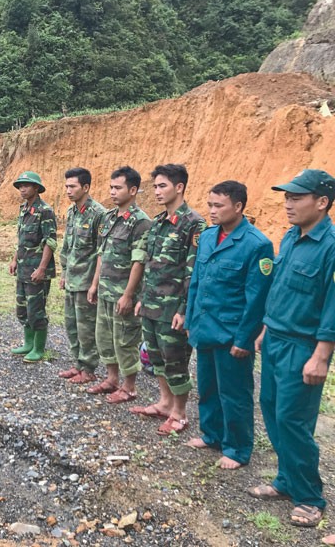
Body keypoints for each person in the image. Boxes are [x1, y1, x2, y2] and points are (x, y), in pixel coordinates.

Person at [247, 169, 335, 529]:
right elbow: (281, 286)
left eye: (296, 197)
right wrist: (266, 326)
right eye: (286, 197)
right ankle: (286, 480)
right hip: (276, 340)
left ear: (322, 202)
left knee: (293, 421)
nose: (287, 204)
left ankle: (310, 497)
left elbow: (332, 304)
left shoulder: (330, 246)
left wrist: (322, 355)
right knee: (270, 408)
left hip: (304, 347)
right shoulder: (292, 236)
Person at [185, 181, 273, 469]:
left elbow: (256, 298)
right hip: (205, 327)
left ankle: (237, 448)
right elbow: (197, 282)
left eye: (218, 205)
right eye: (210, 204)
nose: (211, 211)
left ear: (238, 207)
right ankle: (212, 435)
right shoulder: (209, 237)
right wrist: (190, 319)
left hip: (231, 333)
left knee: (234, 393)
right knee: (207, 387)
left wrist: (245, 338)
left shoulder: (257, 244)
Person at [132, 163, 206, 435]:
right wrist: (142, 297)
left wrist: (185, 309)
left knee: (175, 361)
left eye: (162, 186)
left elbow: (192, 270)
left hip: (173, 308)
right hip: (152, 304)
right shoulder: (159, 222)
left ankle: (179, 413)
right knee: (156, 359)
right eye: (154, 186)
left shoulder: (193, 224)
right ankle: (164, 403)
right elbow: (151, 264)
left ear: (179, 187)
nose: (157, 191)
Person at [87, 166, 151, 402]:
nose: (112, 192)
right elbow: (101, 254)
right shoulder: (109, 218)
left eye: (118, 188)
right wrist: (94, 284)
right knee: (104, 337)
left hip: (123, 293)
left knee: (125, 340)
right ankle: (111, 378)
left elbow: (139, 262)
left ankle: (129, 386)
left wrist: (128, 295)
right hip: (106, 289)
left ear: (132, 190)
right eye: (111, 187)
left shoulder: (141, 222)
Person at [57, 167, 106, 385]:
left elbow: (101, 252)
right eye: (66, 186)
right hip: (72, 279)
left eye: (72, 186)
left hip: (86, 282)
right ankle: (77, 364)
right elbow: (67, 246)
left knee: (86, 328)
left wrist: (94, 284)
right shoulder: (71, 212)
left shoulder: (98, 214)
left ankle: (89, 368)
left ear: (85, 187)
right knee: (72, 325)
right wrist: (64, 272)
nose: (68, 190)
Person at [9, 171, 57, 362]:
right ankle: (28, 344)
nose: (22, 188)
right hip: (23, 268)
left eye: (26, 185)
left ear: (36, 188)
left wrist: (42, 268)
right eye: (20, 185)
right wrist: (14, 260)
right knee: (22, 309)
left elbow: (50, 241)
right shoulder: (23, 209)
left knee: (36, 310)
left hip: (37, 271)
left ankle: (38, 349)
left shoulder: (44, 211)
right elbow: (21, 239)